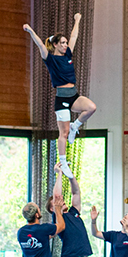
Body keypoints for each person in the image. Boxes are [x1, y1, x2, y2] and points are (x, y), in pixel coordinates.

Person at [25, 15, 97, 177]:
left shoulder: (68, 56)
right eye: (62, 43)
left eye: (66, 43)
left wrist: (77, 20)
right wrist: (30, 30)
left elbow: (74, 36)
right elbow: (39, 44)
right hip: (62, 99)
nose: (65, 45)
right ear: (55, 45)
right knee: (62, 134)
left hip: (74, 95)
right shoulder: (50, 59)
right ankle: (63, 163)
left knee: (91, 107)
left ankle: (75, 125)